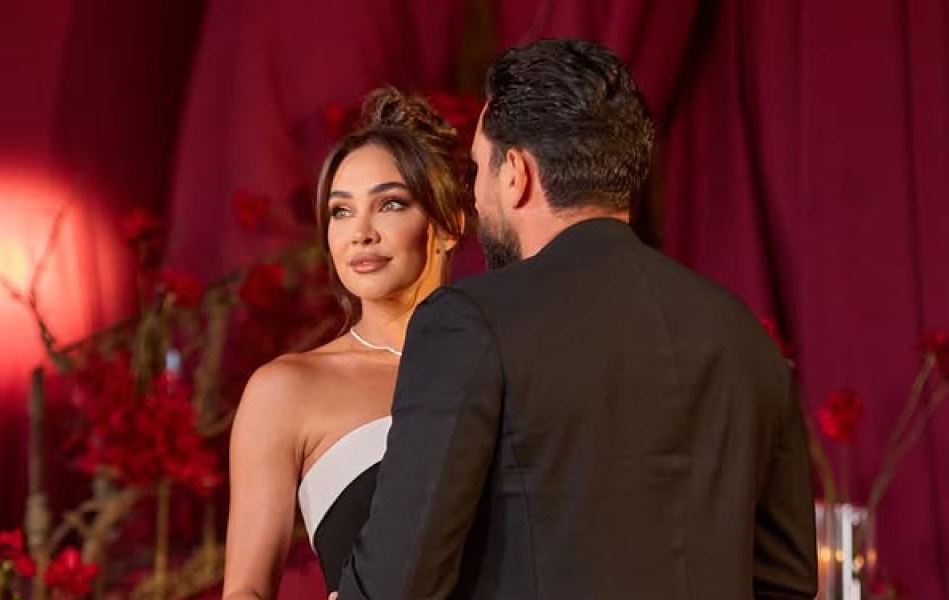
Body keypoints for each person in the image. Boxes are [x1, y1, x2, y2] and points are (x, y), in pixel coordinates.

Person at [336, 38, 818, 599]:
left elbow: (399, 581)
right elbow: (788, 583)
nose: (477, 196)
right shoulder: (740, 333)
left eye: (478, 169)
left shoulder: (467, 322)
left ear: (516, 173)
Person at [222, 87, 475, 599]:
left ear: (449, 224)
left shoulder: (501, 364)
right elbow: (245, 591)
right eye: (341, 211)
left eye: (390, 204)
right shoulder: (287, 390)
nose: (360, 233)